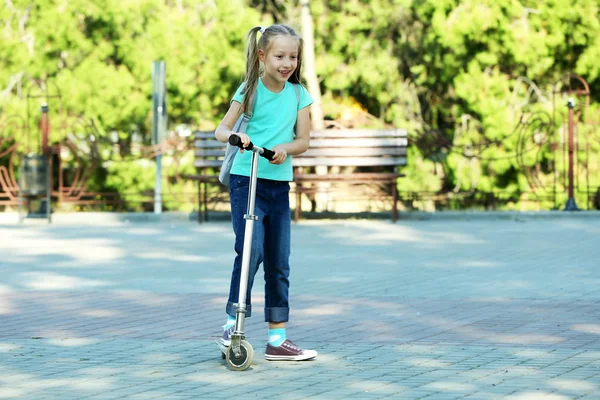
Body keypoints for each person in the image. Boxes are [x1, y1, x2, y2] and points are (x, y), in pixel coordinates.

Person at [214, 24, 317, 361]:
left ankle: (277, 338)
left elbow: (303, 140)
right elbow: (222, 128)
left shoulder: (300, 94)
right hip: (248, 180)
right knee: (251, 249)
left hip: (277, 184)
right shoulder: (250, 89)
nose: (287, 63)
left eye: (293, 56)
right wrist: (237, 138)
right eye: (280, 56)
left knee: (279, 259)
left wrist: (285, 147)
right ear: (262, 56)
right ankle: (233, 324)